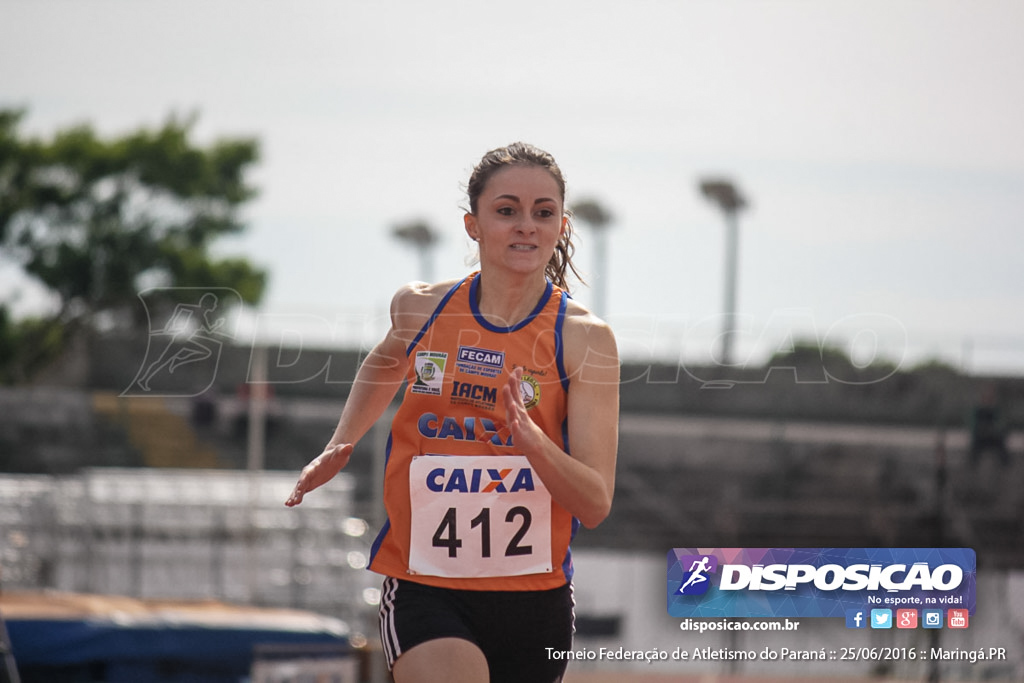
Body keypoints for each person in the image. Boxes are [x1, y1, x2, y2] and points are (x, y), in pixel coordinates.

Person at [286, 142, 619, 683]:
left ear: (561, 224)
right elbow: (386, 360)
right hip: (424, 584)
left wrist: (532, 441)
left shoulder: (583, 340)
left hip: (533, 599)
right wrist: (339, 442)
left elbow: (595, 502)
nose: (525, 226)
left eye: (543, 213)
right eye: (506, 210)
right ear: (473, 225)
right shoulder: (422, 307)